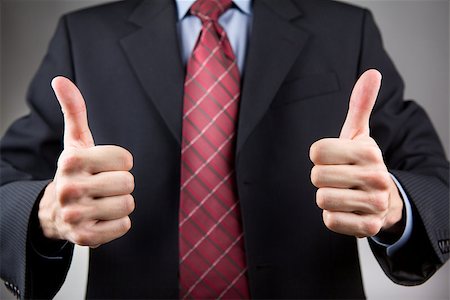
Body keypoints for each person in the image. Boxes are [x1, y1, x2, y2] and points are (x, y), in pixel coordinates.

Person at [1, 0, 448, 299]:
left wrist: (394, 206)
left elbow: (437, 186)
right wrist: (46, 213)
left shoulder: (347, 30)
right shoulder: (84, 36)